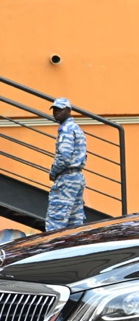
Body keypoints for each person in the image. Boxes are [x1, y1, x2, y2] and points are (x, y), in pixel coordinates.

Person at [46, 98, 87, 232]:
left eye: (60, 109)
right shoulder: (76, 128)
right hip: (77, 178)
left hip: (66, 179)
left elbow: (64, 157)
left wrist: (53, 172)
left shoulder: (66, 129)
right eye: (55, 110)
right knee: (74, 225)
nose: (56, 113)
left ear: (69, 111)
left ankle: (52, 252)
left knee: (55, 225)